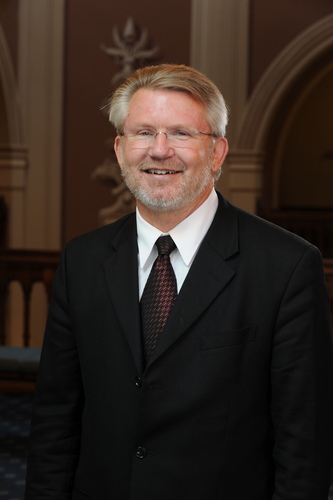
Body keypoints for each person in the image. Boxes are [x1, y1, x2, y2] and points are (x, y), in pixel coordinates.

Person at [25, 64, 333, 500]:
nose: (160, 150)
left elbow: (304, 444)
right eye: (144, 132)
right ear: (119, 148)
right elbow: (55, 420)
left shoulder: (287, 267)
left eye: (182, 134)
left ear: (218, 152)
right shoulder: (83, 260)